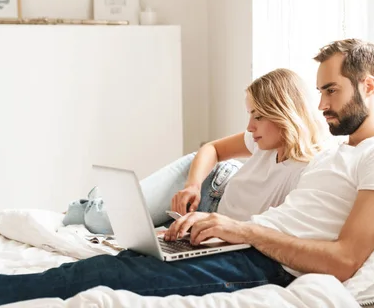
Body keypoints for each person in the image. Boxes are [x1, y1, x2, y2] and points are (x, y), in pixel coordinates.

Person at [0, 39, 374, 307]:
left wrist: (240, 230)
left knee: (94, 284)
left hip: (261, 263)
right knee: (111, 265)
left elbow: (343, 261)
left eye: (331, 91)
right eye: (319, 92)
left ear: (368, 86)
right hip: (239, 244)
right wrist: (224, 228)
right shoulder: (337, 154)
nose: (320, 105)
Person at [63, 68, 322, 235]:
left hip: (212, 220)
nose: (249, 126)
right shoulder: (263, 139)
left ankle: (114, 196)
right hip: (208, 181)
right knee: (103, 219)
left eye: (258, 116)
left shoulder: (307, 170)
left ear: (284, 114)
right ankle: (91, 201)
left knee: (140, 234)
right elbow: (212, 149)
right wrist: (193, 186)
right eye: (249, 114)